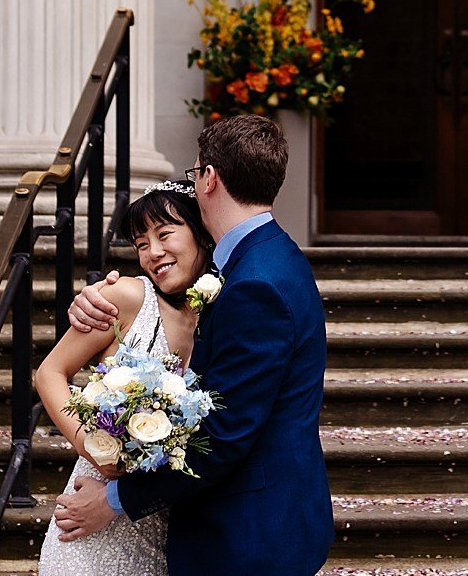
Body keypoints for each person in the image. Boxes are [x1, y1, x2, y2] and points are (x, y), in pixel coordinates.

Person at [50, 112, 333, 576]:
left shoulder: (253, 284)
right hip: (257, 521)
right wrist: (99, 299)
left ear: (209, 178)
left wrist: (115, 500)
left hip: (246, 534)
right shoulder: (265, 260)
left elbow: (224, 435)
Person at [34, 180, 214, 576]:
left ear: (201, 233)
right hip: (91, 515)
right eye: (141, 243)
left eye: (165, 234)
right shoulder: (126, 297)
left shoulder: (217, 314)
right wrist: (93, 447)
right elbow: (49, 373)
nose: (154, 252)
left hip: (165, 523)